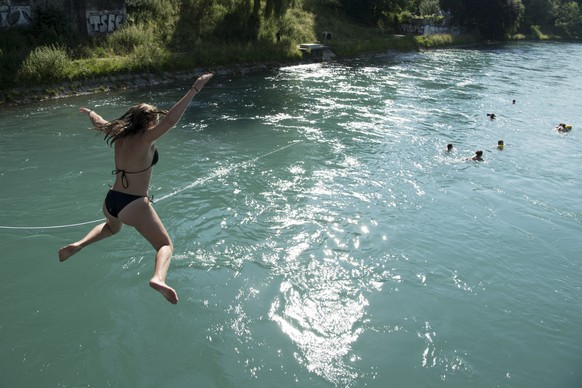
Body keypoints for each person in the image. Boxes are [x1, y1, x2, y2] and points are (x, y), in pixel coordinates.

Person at [58, 73, 214, 304]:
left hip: (111, 201)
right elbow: (171, 119)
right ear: (150, 122)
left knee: (112, 229)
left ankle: (79, 244)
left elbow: (99, 122)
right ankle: (158, 278)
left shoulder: (118, 133)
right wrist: (195, 89)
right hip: (134, 204)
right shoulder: (147, 138)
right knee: (164, 245)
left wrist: (90, 112)